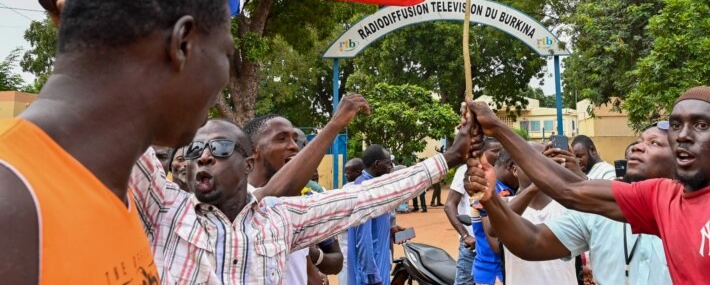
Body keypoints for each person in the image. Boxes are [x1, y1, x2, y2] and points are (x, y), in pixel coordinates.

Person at [0, 0, 233, 284]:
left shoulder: (110, 192)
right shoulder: (13, 203)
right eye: (226, 54)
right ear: (182, 43)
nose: (225, 80)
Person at [466, 86, 710, 283]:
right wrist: (498, 129)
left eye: (701, 125)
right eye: (677, 125)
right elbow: (571, 191)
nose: (683, 135)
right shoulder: (662, 198)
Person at [132, 99, 478, 284]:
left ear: (247, 164)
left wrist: (448, 157)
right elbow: (119, 123)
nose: (203, 156)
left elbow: (364, 198)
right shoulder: (166, 210)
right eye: (194, 151)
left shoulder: (282, 219)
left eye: (220, 148)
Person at [475, 126, 674, 285]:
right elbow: (528, 240)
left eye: (654, 143)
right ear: (514, 168)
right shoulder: (595, 213)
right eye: (639, 141)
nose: (637, 147)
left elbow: (573, 191)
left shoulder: (692, 214)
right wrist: (490, 198)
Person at [244, 114, 344, 285]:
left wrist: (313, 254)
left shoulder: (302, 202)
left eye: (294, 140)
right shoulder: (238, 205)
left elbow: (328, 264)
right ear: (254, 150)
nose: (294, 147)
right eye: (281, 139)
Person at [486, 142, 578, 285]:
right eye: (529, 161)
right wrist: (535, 187)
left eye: (543, 160)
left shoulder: (568, 205)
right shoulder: (505, 204)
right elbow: (492, 229)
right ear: (513, 169)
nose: (537, 167)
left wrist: (575, 174)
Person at [445, 137, 502, 285]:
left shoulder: (500, 174)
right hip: (472, 247)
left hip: (493, 248)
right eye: (495, 151)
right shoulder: (465, 171)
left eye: (501, 152)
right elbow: (449, 205)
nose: (499, 155)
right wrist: (465, 236)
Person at [347, 144, 396, 285]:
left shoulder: (372, 186)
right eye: (388, 163)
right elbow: (363, 239)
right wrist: (372, 276)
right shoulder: (365, 190)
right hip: (371, 274)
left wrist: (392, 228)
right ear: (377, 164)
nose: (390, 167)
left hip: (378, 265)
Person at [472, 148, 518, 285]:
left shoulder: (508, 190)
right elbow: (496, 245)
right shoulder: (488, 190)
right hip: (494, 273)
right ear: (512, 167)